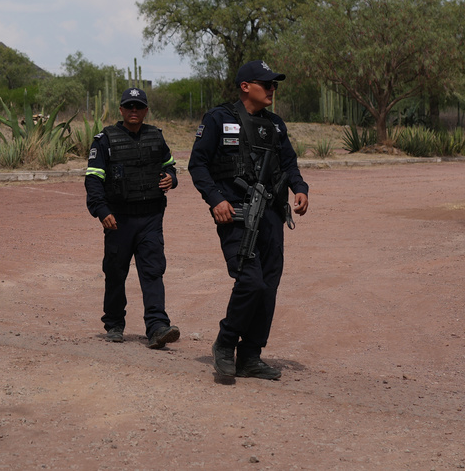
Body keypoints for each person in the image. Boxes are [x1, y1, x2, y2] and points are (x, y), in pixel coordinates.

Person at [188, 60, 309, 379]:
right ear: (245, 86)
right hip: (237, 215)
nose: (272, 89)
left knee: (268, 287)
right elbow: (197, 164)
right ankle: (225, 345)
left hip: (272, 216)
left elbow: (289, 162)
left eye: (275, 85)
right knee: (250, 281)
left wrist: (300, 188)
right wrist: (216, 199)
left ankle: (250, 356)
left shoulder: (276, 125)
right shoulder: (218, 118)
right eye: (266, 84)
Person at [85, 87, 182, 349]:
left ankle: (157, 327)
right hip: (119, 219)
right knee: (115, 273)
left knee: (152, 271)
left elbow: (170, 166)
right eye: (129, 106)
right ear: (121, 109)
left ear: (146, 110)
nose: (134, 111)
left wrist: (171, 178)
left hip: (151, 218)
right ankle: (115, 324)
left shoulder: (156, 137)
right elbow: (93, 179)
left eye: (139, 107)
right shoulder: (105, 139)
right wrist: (102, 211)